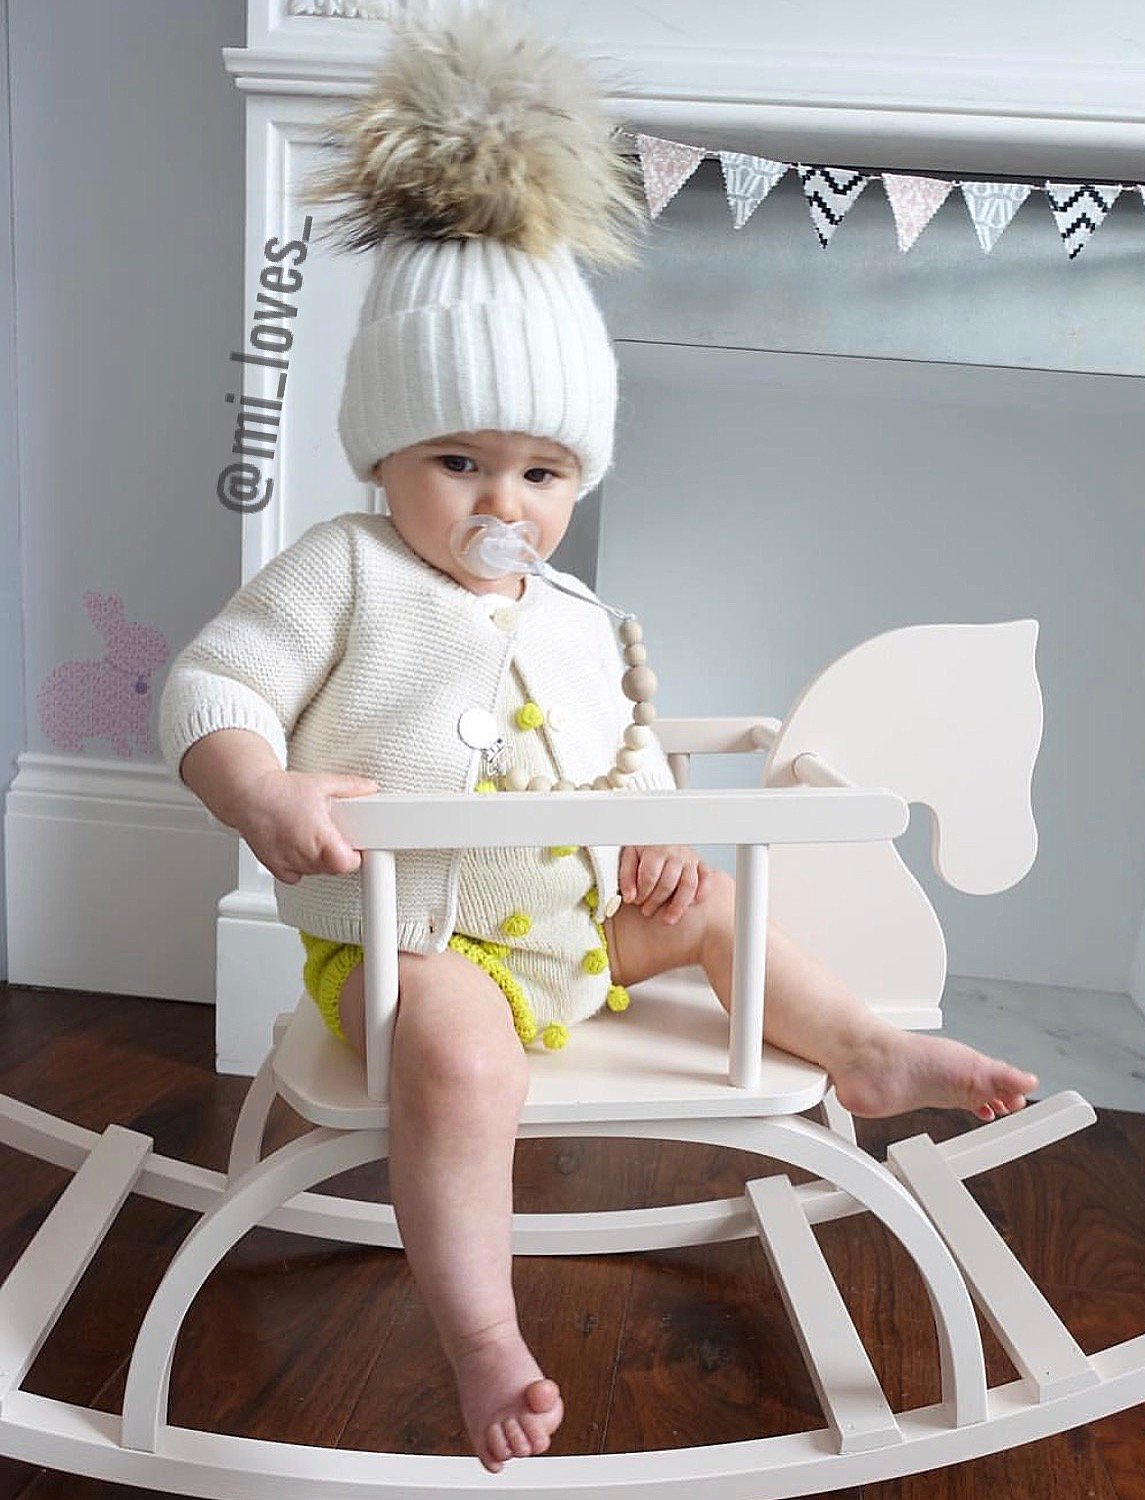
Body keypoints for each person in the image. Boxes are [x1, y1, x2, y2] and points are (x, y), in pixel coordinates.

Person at [160, 2, 1038, 1474]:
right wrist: (261, 786)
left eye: (543, 472)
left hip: (574, 928)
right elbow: (213, 685)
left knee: (714, 905)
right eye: (459, 460)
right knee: (460, 1052)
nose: (501, 502)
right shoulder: (343, 569)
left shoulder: (579, 614)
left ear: (581, 477)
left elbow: (625, 752)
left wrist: (651, 837)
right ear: (384, 455)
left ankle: (867, 1052)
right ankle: (481, 1336)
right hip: (414, 947)